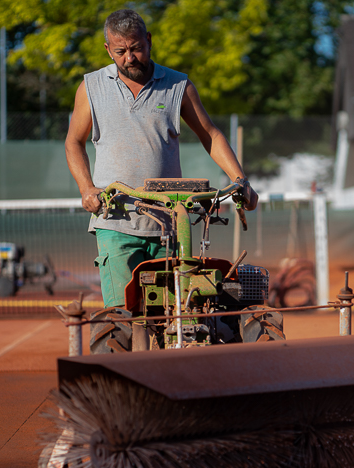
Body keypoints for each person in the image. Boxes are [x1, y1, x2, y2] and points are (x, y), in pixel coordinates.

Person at [65, 9, 257, 308]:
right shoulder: (91, 87)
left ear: (149, 41)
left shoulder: (178, 85)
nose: (130, 58)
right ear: (108, 50)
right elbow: (73, 142)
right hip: (115, 221)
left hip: (170, 222)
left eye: (136, 48)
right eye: (121, 51)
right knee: (121, 318)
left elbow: (211, 135)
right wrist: (86, 188)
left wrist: (239, 179)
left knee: (176, 316)